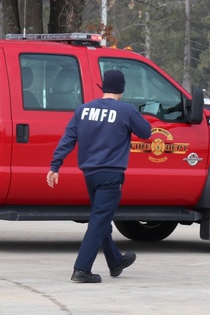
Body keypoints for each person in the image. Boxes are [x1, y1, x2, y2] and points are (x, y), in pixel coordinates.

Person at [47, 69, 152, 283]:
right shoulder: (125, 110)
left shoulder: (83, 110)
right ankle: (81, 269)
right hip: (111, 175)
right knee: (98, 220)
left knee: (101, 218)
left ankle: (115, 262)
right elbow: (146, 132)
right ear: (121, 89)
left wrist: (55, 166)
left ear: (104, 87)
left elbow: (68, 139)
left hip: (90, 174)